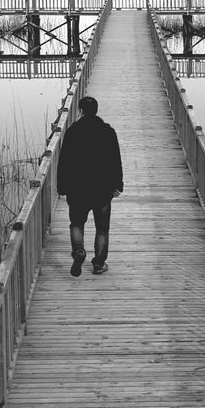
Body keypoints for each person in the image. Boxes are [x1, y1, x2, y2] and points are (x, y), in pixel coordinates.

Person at [56, 95, 123, 277]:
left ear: (80, 111)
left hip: (77, 190)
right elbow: (115, 161)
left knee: (76, 224)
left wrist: (62, 187)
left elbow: (64, 162)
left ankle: (79, 252)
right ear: (96, 111)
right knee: (102, 229)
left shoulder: (72, 132)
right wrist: (118, 185)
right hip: (102, 189)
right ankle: (99, 264)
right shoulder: (107, 131)